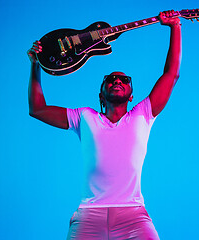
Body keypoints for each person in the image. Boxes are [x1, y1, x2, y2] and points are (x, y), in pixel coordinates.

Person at [27, 10, 181, 240]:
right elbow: (37, 109)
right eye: (110, 79)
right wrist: (35, 65)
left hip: (133, 216)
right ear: (101, 95)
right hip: (89, 217)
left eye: (124, 80)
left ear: (131, 95)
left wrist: (175, 27)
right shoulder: (85, 117)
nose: (117, 81)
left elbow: (171, 74)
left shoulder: (143, 115)